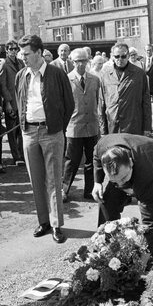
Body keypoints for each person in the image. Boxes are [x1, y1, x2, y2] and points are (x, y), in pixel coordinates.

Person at [15, 34, 74, 244]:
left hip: (52, 133)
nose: (23, 57)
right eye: (21, 53)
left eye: (27, 54)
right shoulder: (21, 75)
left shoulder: (57, 74)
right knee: (36, 180)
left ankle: (57, 224)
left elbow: (69, 105)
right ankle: (44, 222)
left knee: (53, 180)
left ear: (39, 53)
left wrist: (58, 127)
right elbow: (19, 102)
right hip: (29, 133)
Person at [92, 133, 153, 259]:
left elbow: (150, 219)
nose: (121, 185)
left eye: (123, 179)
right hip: (135, 164)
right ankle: (107, 250)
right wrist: (98, 182)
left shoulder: (145, 174)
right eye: (114, 181)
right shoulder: (102, 147)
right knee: (107, 202)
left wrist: (143, 258)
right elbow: (96, 157)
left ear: (130, 162)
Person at [62, 47, 100, 202]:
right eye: (77, 61)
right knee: (72, 160)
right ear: (72, 61)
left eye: (83, 61)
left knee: (92, 160)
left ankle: (90, 191)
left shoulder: (95, 79)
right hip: (74, 126)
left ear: (88, 61)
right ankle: (64, 190)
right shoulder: (66, 79)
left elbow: (97, 100)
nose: (81, 64)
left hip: (91, 126)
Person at [98, 42, 151, 136]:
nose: (120, 59)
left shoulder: (139, 73)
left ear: (128, 56)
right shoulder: (105, 75)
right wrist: (103, 129)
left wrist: (147, 127)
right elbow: (101, 103)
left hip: (133, 124)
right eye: (117, 56)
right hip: (113, 124)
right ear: (112, 57)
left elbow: (146, 101)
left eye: (123, 56)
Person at [0, 40, 25, 165]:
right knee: (12, 131)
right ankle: (16, 156)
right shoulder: (3, 63)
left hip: (22, 101)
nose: (14, 51)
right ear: (7, 50)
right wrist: (7, 102)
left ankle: (22, 154)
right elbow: (2, 84)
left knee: (22, 129)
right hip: (11, 101)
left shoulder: (21, 62)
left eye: (15, 49)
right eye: (11, 49)